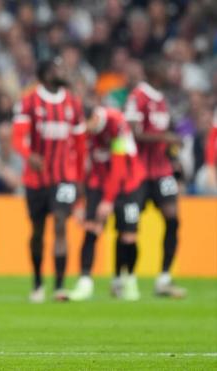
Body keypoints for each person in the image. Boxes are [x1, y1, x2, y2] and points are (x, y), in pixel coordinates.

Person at [12, 58, 86, 303]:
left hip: (63, 177)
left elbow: (79, 144)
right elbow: (17, 138)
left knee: (61, 224)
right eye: (58, 69)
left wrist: (79, 177)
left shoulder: (73, 104)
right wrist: (28, 155)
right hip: (36, 179)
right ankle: (37, 282)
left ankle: (60, 286)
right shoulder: (29, 102)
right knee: (37, 232)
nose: (63, 72)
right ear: (45, 74)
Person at [124, 59, 186, 298]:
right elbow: (133, 133)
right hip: (138, 171)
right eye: (164, 67)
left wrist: (172, 153)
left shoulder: (161, 100)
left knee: (173, 219)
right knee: (129, 226)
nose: (168, 71)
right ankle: (124, 277)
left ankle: (164, 278)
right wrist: (166, 137)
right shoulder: (137, 96)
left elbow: (163, 136)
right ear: (154, 72)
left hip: (162, 171)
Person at [69, 105, 144, 301]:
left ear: (94, 117)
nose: (85, 128)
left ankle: (126, 279)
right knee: (91, 229)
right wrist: (79, 202)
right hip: (98, 181)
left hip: (128, 184)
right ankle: (85, 281)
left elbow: (119, 166)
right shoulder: (83, 132)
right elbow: (79, 164)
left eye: (88, 124)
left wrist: (108, 200)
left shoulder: (116, 123)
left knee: (128, 236)